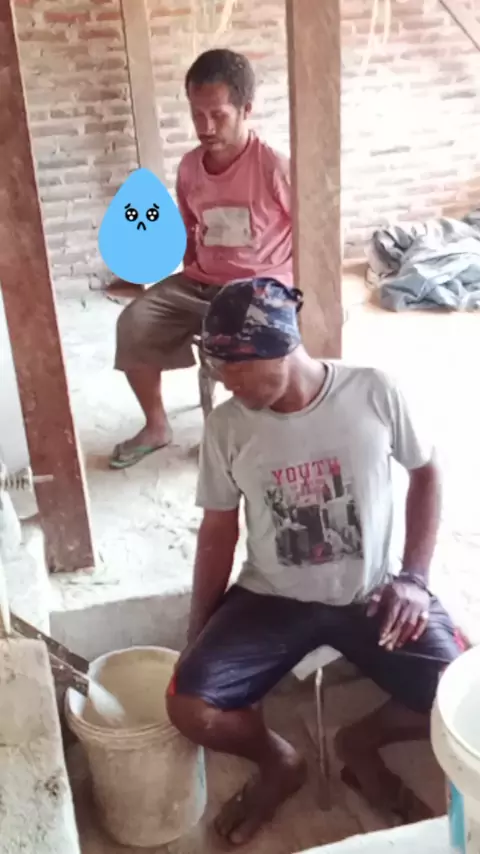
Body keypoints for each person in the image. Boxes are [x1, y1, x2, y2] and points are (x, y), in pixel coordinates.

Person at [166, 277, 465, 846]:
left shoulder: (373, 391)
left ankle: (360, 743)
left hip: (372, 593)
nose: (226, 383)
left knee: (462, 696)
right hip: (271, 598)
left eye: (235, 368)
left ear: (282, 347)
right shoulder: (228, 427)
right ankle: (280, 762)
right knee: (190, 707)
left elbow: (426, 473)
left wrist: (414, 579)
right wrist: (197, 630)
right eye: (218, 369)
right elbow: (218, 530)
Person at [110, 48, 292, 468]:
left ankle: (244, 435)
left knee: (238, 349)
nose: (205, 127)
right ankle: (157, 426)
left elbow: (314, 231)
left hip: (259, 288)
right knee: (134, 322)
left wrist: (290, 292)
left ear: (246, 110)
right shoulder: (191, 167)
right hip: (202, 282)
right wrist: (191, 271)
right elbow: (191, 228)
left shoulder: (274, 168)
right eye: (197, 114)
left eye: (218, 115)